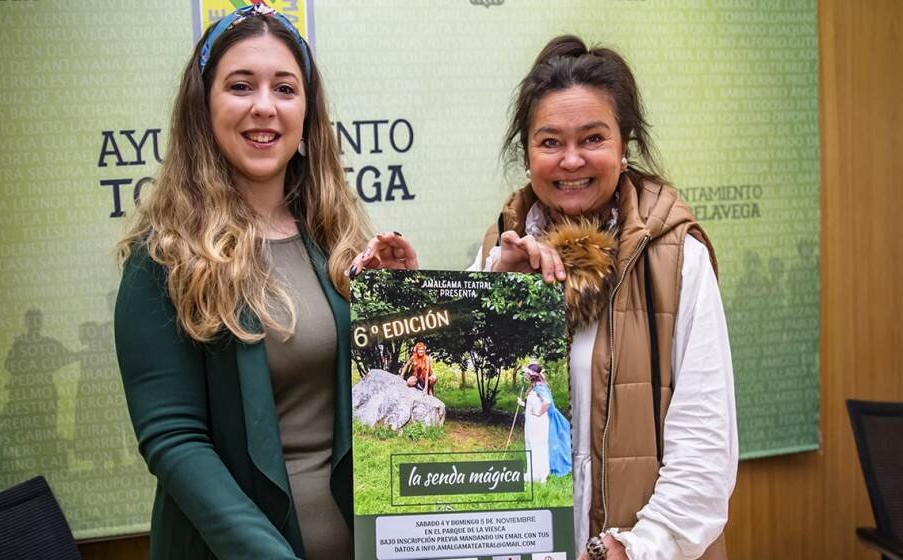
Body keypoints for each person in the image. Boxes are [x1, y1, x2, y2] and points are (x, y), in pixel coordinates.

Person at [114, 4, 416, 558]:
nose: (264, 107)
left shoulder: (336, 237)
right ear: (203, 107)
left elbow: (379, 401)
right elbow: (175, 442)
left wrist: (397, 308)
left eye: (284, 88)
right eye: (240, 86)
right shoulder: (162, 257)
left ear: (306, 111)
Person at [472, 36, 737, 560]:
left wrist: (638, 548)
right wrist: (496, 292)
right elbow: (480, 407)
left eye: (592, 138)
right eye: (550, 142)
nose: (571, 160)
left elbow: (705, 446)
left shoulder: (677, 257)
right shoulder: (500, 247)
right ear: (527, 153)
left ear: (624, 145)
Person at [517, 362, 571, 482]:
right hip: (531, 422)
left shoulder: (540, 387)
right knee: (530, 443)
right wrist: (522, 403)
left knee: (538, 444)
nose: (525, 375)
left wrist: (538, 413)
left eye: (527, 373)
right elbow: (535, 403)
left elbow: (547, 402)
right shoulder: (534, 386)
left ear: (533, 375)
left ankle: (540, 474)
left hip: (539, 422)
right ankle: (532, 472)